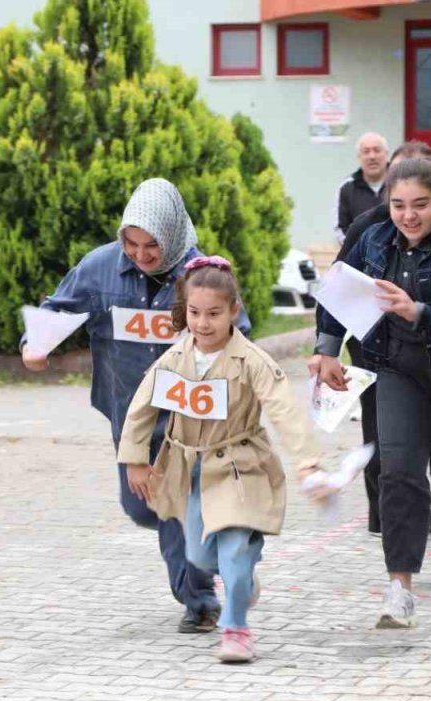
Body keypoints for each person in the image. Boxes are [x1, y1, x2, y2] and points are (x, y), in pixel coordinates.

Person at [23, 178, 249, 634]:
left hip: (190, 414)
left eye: (152, 245)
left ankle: (199, 599)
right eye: (131, 243)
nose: (141, 254)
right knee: (142, 507)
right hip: (131, 411)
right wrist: (35, 343)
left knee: (175, 500)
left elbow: (239, 330)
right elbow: (56, 309)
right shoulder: (100, 268)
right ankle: (211, 540)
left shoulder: (200, 275)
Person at [313, 158, 431, 629]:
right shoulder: (374, 239)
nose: (408, 215)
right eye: (398, 205)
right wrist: (326, 351)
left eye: (420, 204)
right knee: (398, 475)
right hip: (397, 371)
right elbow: (340, 293)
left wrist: (421, 311)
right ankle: (399, 590)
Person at [120, 257, 321, 663]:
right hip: (191, 470)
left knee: (232, 549)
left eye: (214, 313)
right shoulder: (175, 358)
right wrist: (135, 460)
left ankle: (236, 629)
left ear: (234, 310)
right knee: (198, 555)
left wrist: (308, 462)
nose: (203, 323)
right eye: (194, 313)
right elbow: (142, 407)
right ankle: (243, 579)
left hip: (238, 467)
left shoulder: (252, 361)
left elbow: (284, 409)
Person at [335, 133, 389, 245]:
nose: (372, 156)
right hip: (360, 257)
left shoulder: (400, 182)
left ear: (386, 154)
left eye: (377, 150)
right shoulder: (347, 188)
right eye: (366, 152)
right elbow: (340, 228)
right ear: (359, 157)